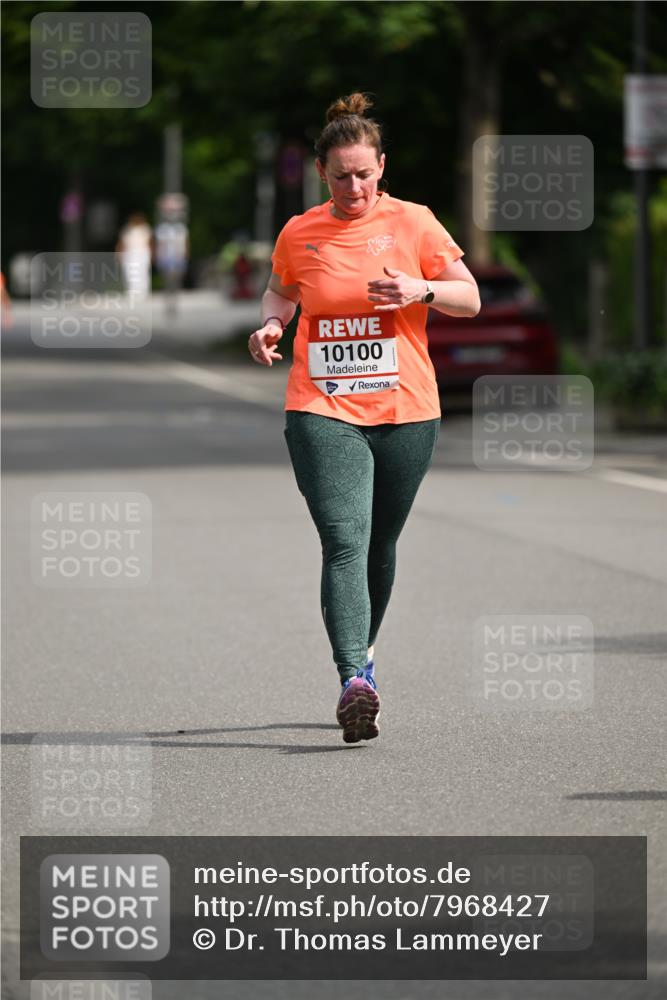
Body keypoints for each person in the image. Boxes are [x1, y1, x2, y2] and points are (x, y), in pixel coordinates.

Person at [248, 93, 480, 744]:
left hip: (407, 407)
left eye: (364, 173)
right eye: (341, 175)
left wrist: (421, 289)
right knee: (344, 538)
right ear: (322, 173)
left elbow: (468, 296)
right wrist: (271, 324)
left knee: (380, 542)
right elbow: (281, 287)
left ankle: (364, 653)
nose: (354, 186)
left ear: (382, 166)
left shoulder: (415, 223)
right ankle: (353, 679)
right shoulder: (300, 231)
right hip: (321, 405)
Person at [115, 213, 152, 298]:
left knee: (142, 272)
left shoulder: (145, 228)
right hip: (129, 253)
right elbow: (122, 243)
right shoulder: (127, 229)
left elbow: (150, 242)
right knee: (129, 272)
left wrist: (152, 253)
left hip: (142, 253)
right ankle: (131, 290)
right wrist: (119, 253)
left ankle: (143, 291)